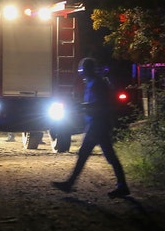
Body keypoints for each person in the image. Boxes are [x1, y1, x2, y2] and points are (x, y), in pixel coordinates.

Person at [51, 57, 130, 199]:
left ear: (86, 70)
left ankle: (70, 184)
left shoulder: (96, 84)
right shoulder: (94, 82)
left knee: (88, 154)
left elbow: (99, 104)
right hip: (98, 124)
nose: (81, 72)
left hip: (97, 124)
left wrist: (81, 107)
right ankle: (122, 185)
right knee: (104, 156)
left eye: (82, 69)